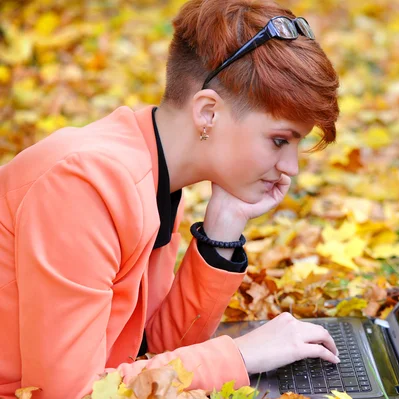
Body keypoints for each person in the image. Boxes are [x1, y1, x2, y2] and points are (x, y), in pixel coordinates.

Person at [0, 0, 341, 397]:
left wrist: (223, 229)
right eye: (279, 140)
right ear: (208, 113)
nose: (291, 168)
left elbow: (154, 352)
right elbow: (69, 393)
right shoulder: (84, 185)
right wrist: (242, 355)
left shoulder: (157, 171)